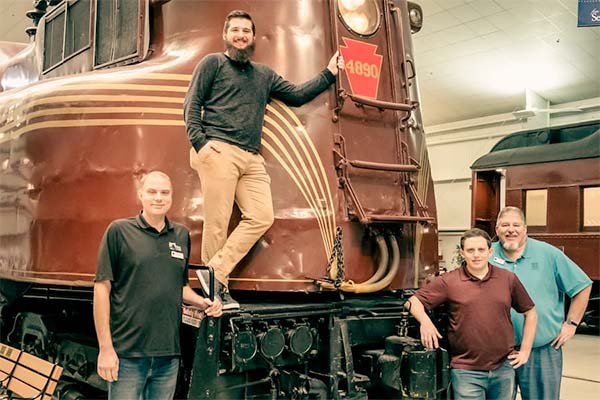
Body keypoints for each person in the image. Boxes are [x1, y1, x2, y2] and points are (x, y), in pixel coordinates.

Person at [183, 10, 344, 310]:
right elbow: (191, 105)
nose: (241, 36)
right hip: (219, 151)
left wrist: (329, 73)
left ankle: (213, 273)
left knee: (261, 216)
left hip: (250, 158)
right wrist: (202, 146)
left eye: (246, 31)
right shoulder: (213, 63)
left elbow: (296, 95)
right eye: (235, 30)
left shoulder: (263, 75)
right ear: (225, 35)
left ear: (254, 37)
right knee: (217, 224)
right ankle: (216, 291)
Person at [93, 171, 223, 400]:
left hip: (168, 357)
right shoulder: (119, 231)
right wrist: (105, 349)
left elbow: (180, 287)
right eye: (152, 192)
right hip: (128, 355)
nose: (158, 198)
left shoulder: (181, 235)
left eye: (165, 192)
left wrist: (204, 303)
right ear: (141, 195)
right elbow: (102, 289)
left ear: (172, 197)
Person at [406, 228, 537, 400]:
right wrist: (425, 322)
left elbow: (531, 313)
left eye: (481, 250)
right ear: (462, 253)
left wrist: (525, 351)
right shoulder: (449, 281)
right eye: (470, 250)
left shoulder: (507, 279)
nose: (476, 255)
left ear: (490, 252)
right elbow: (412, 302)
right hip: (466, 371)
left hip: (503, 368)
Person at [490, 206, 592, 400]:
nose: (510, 229)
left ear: (525, 229)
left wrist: (571, 324)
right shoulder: (486, 255)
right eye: (505, 225)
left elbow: (582, 286)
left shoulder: (548, 254)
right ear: (497, 230)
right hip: (496, 352)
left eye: (516, 225)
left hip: (542, 349)